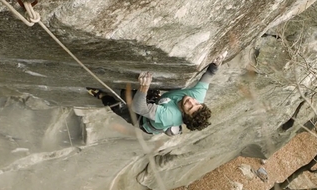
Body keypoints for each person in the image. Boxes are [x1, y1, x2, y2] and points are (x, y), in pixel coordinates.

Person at [87, 55, 225, 136]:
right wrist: (216, 64)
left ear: (184, 115)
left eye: (190, 108)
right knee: (142, 95)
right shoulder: (197, 97)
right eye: (196, 103)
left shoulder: (168, 115)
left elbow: (138, 108)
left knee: (119, 106)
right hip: (159, 105)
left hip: (143, 120)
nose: (191, 101)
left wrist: (144, 87)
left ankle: (100, 96)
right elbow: (209, 75)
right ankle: (168, 123)